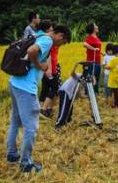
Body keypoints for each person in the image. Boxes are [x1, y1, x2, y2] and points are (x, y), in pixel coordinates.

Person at [7, 25, 71, 173]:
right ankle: (26, 163)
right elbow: (31, 51)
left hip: (14, 82)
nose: (60, 45)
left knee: (15, 122)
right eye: (63, 42)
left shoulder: (38, 35)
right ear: (60, 36)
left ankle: (11, 154)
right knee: (31, 127)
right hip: (26, 88)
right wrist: (39, 65)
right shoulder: (48, 41)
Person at [39, 20, 61, 119]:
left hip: (49, 68)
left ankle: (45, 109)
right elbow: (49, 56)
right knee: (55, 88)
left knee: (45, 88)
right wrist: (49, 70)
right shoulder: (50, 41)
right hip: (50, 69)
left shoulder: (49, 40)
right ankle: (44, 109)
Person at [55, 62, 87, 128]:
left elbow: (81, 93)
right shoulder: (79, 75)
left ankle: (67, 121)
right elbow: (72, 73)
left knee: (69, 108)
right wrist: (75, 66)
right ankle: (59, 124)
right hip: (65, 90)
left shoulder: (84, 81)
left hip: (70, 93)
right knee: (64, 108)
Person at [83, 23, 102, 94]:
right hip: (91, 61)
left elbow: (98, 49)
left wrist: (102, 53)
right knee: (91, 77)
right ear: (93, 28)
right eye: (95, 25)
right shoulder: (90, 37)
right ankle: (89, 93)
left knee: (96, 77)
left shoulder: (96, 37)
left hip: (98, 60)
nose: (97, 26)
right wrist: (93, 49)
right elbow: (84, 44)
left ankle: (95, 93)